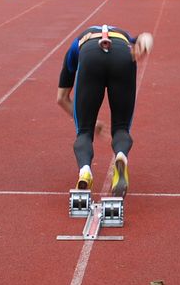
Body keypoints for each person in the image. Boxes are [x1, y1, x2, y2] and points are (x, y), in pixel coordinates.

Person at [55, 24, 155, 197]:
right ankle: (121, 156)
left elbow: (61, 98)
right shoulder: (124, 35)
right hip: (122, 56)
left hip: (89, 57)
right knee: (121, 127)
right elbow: (146, 37)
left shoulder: (75, 46)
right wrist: (145, 44)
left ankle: (85, 171)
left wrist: (91, 123)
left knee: (84, 131)